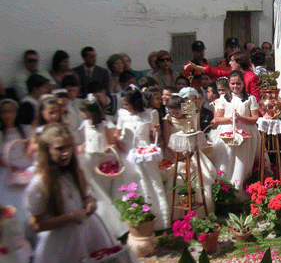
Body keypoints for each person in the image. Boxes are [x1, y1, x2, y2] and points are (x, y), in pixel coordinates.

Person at [24, 123, 164, 263]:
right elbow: (37, 224)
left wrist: (89, 203)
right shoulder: (40, 183)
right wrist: (70, 217)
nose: (65, 154)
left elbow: (86, 196)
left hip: (89, 233)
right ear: (47, 151)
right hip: (61, 242)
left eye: (68, 148)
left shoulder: (74, 172)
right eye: (59, 149)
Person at [115, 87, 170, 230]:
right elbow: (117, 132)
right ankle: (132, 223)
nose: (125, 107)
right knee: (131, 185)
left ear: (136, 102)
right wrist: (116, 140)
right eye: (123, 104)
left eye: (127, 104)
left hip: (144, 154)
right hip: (127, 155)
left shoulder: (150, 114)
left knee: (150, 185)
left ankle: (156, 221)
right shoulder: (122, 114)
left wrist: (156, 132)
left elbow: (154, 139)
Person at [77, 95, 126, 238]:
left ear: (92, 112)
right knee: (95, 192)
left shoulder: (104, 126)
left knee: (104, 190)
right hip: (89, 159)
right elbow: (88, 140)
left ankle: (112, 224)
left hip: (101, 160)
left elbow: (112, 143)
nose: (82, 115)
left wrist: (108, 147)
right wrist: (82, 147)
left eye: (85, 112)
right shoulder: (85, 124)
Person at [208, 70, 261, 200]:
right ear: (229, 84)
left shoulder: (250, 98)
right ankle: (224, 189)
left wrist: (241, 118)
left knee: (242, 162)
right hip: (227, 134)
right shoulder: (223, 99)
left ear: (243, 83)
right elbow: (217, 118)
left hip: (246, 134)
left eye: (238, 83)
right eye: (232, 84)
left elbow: (254, 118)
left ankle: (242, 189)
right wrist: (231, 118)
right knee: (226, 160)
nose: (235, 86)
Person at [162, 95, 216, 215]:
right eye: (171, 109)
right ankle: (176, 213)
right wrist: (179, 156)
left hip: (191, 153)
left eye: (177, 109)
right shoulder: (168, 120)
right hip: (174, 155)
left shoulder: (189, 119)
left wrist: (190, 153)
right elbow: (167, 142)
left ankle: (200, 210)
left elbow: (195, 134)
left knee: (201, 177)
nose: (174, 112)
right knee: (177, 178)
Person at [185, 50, 260, 100]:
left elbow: (256, 99)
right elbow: (215, 72)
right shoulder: (234, 74)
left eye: (232, 61)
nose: (230, 63)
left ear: (240, 62)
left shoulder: (252, 77)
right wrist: (195, 67)